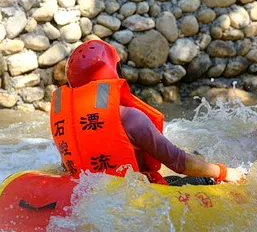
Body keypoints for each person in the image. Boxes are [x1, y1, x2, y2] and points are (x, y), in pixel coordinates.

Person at [49, 39, 245, 186]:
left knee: (183, 170)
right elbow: (177, 161)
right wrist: (223, 172)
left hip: (92, 197)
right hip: (136, 201)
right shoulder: (129, 117)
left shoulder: (66, 120)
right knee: (205, 178)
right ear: (114, 71)